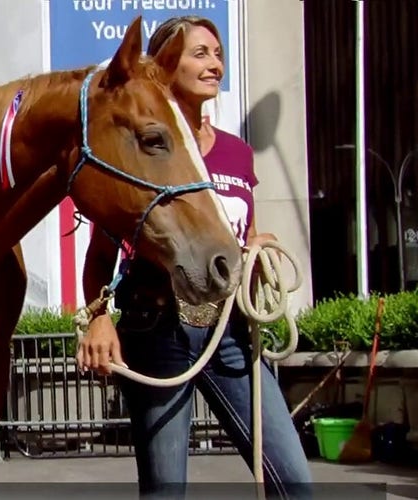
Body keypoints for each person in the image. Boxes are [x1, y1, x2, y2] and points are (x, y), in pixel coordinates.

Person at [76, 15, 313, 499]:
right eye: (199, 54)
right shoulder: (145, 152)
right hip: (158, 329)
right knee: (165, 492)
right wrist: (98, 319)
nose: (215, 65)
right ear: (167, 66)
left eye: (218, 53)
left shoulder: (237, 153)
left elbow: (238, 229)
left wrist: (254, 246)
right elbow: (101, 253)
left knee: (294, 483)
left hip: (229, 334)